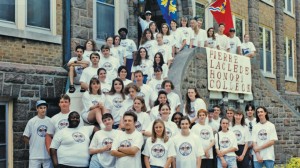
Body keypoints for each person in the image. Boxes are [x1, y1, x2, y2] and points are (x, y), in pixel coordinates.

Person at [23, 100, 52, 168]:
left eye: (44, 108)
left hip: (47, 155)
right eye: (41, 108)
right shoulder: (32, 121)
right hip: (34, 156)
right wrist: (32, 144)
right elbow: (25, 136)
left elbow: (54, 136)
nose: (43, 110)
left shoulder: (51, 121)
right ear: (37, 109)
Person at [245, 103, 256, 168]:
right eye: (248, 110)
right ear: (246, 111)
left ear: (254, 111)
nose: (250, 111)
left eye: (251, 110)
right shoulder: (244, 121)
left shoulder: (257, 121)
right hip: (246, 147)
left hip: (255, 146)